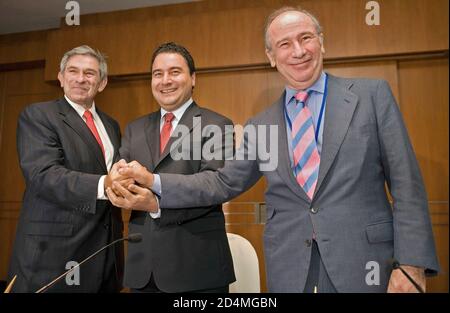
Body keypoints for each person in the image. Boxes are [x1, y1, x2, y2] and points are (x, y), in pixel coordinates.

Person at [112, 8, 440, 293]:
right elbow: (223, 183)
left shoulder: (370, 97)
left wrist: (412, 265)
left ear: (321, 42)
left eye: (305, 38)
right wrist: (154, 180)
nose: (297, 51)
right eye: (284, 44)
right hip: (290, 269)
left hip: (366, 266)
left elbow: (407, 185)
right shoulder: (262, 126)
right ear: (271, 57)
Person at [106, 42, 235, 293]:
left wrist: (154, 198)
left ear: (193, 78)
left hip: (197, 270)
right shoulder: (135, 128)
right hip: (143, 270)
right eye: (157, 74)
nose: (165, 80)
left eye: (175, 72)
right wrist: (117, 179)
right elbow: (121, 174)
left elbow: (214, 185)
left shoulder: (217, 124)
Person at [8, 45, 124, 292]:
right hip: (53, 255)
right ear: (61, 78)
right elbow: (43, 175)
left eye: (90, 73)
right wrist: (105, 184)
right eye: (73, 71)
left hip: (105, 253)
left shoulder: (111, 125)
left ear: (102, 83)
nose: (81, 78)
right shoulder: (38, 115)